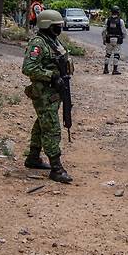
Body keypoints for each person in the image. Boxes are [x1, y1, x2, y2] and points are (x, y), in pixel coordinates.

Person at [22, 10, 73, 184]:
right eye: (57, 26)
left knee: (42, 123)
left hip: (54, 92)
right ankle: (56, 168)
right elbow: (28, 67)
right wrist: (51, 76)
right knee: (51, 128)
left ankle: (33, 157)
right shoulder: (38, 43)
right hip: (43, 92)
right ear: (47, 26)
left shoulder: (52, 41)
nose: (60, 28)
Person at [102, 6, 126, 75]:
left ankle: (106, 69)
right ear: (118, 12)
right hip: (117, 39)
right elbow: (124, 31)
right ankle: (114, 70)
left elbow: (104, 31)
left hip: (109, 39)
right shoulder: (120, 21)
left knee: (108, 54)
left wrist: (104, 39)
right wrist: (123, 37)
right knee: (116, 54)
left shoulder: (108, 20)